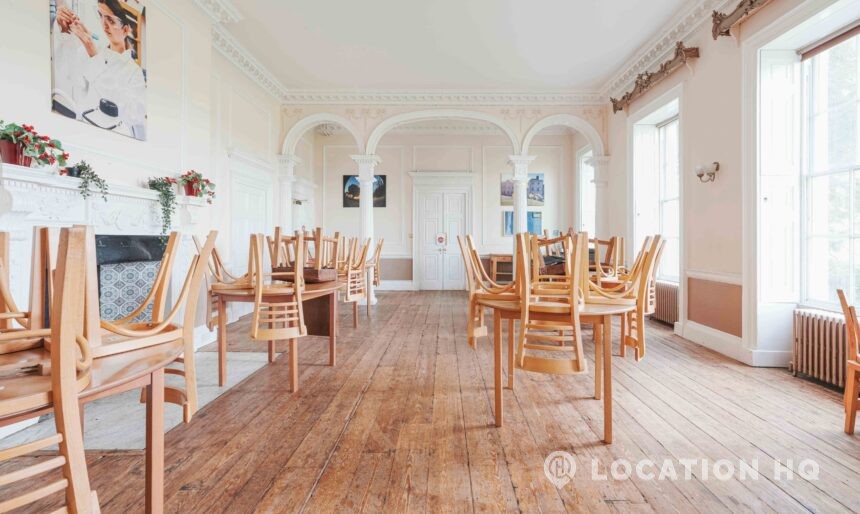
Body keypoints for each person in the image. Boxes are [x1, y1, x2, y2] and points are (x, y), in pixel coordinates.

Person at [52, 0, 146, 140]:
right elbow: (71, 76)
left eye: (111, 20)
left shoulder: (134, 71)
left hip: (117, 138)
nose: (104, 25)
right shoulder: (93, 50)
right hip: (83, 128)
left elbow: (134, 115)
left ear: (126, 30)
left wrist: (94, 56)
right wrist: (66, 34)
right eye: (101, 16)